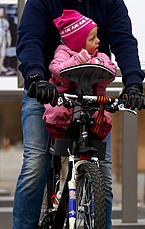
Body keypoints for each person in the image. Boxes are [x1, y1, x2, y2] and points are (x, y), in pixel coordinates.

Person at [10, 0, 145, 229]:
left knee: (100, 174)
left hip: (93, 98)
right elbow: (28, 41)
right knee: (36, 162)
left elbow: (124, 42)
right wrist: (36, 79)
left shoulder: (109, 0)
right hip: (47, 94)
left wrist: (133, 83)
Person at [43, 10, 116, 141]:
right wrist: (78, 60)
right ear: (78, 42)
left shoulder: (100, 56)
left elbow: (110, 73)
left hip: (92, 103)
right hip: (67, 101)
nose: (98, 41)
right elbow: (58, 70)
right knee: (58, 113)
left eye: (97, 36)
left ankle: (94, 145)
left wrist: (96, 64)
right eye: (92, 38)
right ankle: (60, 140)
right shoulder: (63, 54)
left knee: (103, 118)